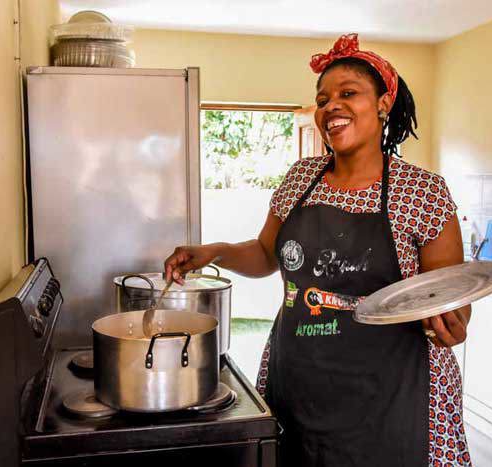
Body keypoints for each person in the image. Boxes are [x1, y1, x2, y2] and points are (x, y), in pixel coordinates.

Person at [164, 33, 472, 466]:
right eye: (323, 99)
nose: (331, 107)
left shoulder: (422, 191)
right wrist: (212, 251)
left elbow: (449, 295)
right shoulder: (301, 178)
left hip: (394, 393)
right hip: (301, 382)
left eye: (349, 93)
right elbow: (265, 254)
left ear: (384, 103)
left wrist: (449, 323)